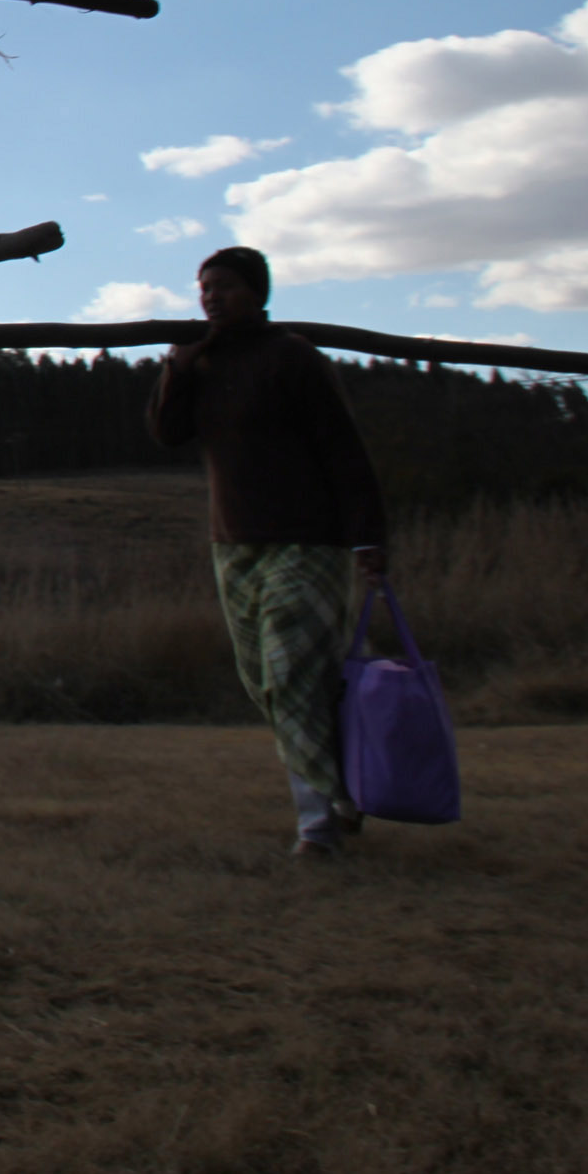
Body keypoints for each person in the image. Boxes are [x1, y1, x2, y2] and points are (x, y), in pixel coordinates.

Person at [148, 245, 391, 861]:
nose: (211, 296)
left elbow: (343, 448)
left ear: (257, 291)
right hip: (234, 543)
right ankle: (346, 794)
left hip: (309, 539)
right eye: (204, 287)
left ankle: (319, 824)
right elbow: (168, 432)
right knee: (268, 682)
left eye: (224, 286)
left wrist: (368, 536)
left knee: (292, 675)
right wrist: (178, 366)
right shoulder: (201, 360)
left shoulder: (293, 358)